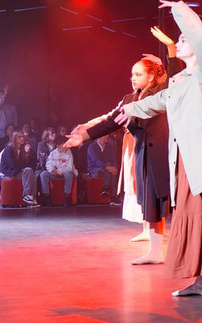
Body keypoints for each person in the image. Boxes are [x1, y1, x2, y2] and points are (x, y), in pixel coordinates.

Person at [115, 0, 202, 297]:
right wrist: (130, 108)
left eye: (185, 39)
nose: (182, 41)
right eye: (181, 38)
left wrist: (181, 10)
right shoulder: (179, 81)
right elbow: (157, 101)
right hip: (185, 159)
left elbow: (201, 39)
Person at [67, 31, 182, 265]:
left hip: (160, 152)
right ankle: (155, 250)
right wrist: (84, 136)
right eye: (132, 74)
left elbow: (175, 76)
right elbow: (111, 121)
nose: (133, 78)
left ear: (152, 76)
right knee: (148, 200)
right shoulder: (129, 99)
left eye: (138, 74)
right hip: (142, 152)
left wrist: (170, 47)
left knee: (160, 199)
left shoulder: (162, 92)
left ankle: (165, 249)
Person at [0, 131, 39, 207]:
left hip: (19, 171)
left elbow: (28, 164)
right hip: (9, 172)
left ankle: (32, 198)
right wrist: (24, 167)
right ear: (14, 138)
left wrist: (27, 154)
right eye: (19, 137)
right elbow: (13, 165)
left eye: (23, 136)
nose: (22, 138)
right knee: (28, 170)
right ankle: (26, 195)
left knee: (32, 174)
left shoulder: (22, 149)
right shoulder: (9, 149)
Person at [40, 137, 77, 203]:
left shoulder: (69, 153)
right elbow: (48, 164)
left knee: (68, 173)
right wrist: (51, 170)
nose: (66, 147)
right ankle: (46, 196)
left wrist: (58, 171)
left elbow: (69, 168)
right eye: (64, 145)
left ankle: (67, 195)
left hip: (65, 173)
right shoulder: (53, 153)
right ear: (58, 146)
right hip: (55, 174)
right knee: (43, 174)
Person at [86, 135, 119, 202]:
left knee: (111, 169)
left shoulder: (109, 146)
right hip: (94, 169)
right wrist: (106, 167)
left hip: (107, 168)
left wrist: (115, 168)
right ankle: (113, 195)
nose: (108, 136)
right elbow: (95, 161)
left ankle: (106, 190)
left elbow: (114, 159)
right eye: (105, 135)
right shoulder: (92, 147)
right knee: (108, 168)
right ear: (100, 136)